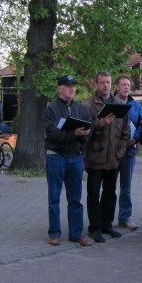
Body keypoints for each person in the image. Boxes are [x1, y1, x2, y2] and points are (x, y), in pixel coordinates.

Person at [43, 75, 94, 247]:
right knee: (54, 198)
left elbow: (89, 130)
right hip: (56, 157)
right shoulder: (51, 109)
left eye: (73, 86)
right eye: (68, 86)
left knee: (75, 199)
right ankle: (54, 234)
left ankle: (76, 234)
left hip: (75, 158)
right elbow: (52, 134)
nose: (72, 89)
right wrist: (73, 134)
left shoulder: (81, 109)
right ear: (60, 88)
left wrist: (84, 134)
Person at [84, 71, 130, 243]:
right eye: (102, 82)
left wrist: (120, 152)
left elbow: (126, 133)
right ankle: (95, 228)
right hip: (95, 158)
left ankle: (107, 225)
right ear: (96, 84)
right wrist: (100, 124)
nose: (105, 85)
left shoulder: (120, 105)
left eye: (108, 82)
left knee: (110, 193)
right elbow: (84, 130)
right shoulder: (88, 105)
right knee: (93, 193)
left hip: (113, 158)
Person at [114, 75, 142, 230]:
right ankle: (105, 220)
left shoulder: (136, 105)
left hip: (129, 151)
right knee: (109, 187)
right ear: (116, 87)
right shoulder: (109, 103)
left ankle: (125, 218)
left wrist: (136, 138)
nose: (126, 87)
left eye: (128, 85)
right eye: (123, 84)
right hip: (112, 152)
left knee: (126, 187)